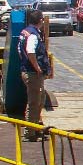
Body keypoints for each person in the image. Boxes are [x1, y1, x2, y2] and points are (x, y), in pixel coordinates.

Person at [18, 10, 52, 141]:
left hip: (29, 71)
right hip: (32, 73)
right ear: (40, 21)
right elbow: (30, 52)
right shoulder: (33, 35)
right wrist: (37, 68)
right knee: (34, 103)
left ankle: (35, 127)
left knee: (40, 99)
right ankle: (29, 132)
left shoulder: (25, 32)